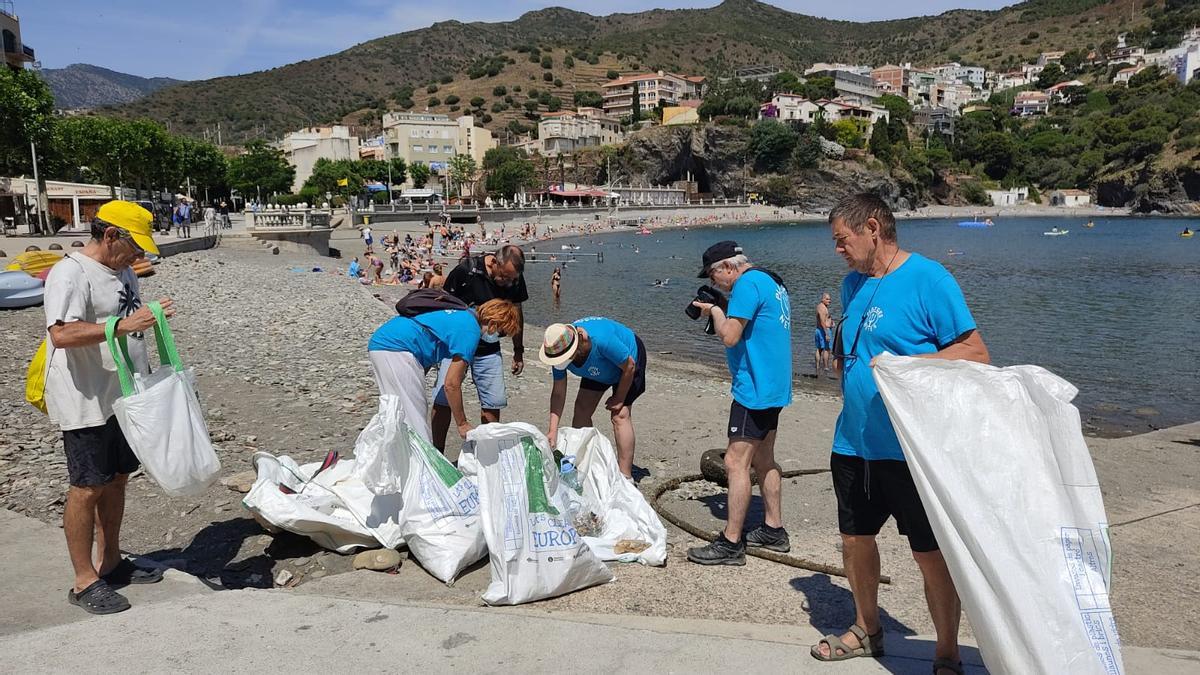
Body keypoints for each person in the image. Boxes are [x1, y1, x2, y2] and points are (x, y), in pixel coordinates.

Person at [811, 194, 989, 674]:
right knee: (855, 542)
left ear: (873, 228)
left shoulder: (930, 279)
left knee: (929, 555)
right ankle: (867, 629)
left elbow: (975, 353)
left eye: (842, 240)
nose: (838, 250)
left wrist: (907, 365)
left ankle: (947, 652)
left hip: (911, 451)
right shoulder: (852, 284)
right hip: (853, 442)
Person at [42, 200, 173, 615]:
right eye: (135, 246)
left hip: (121, 393)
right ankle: (84, 580)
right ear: (112, 235)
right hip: (85, 396)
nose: (139, 256)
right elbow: (61, 334)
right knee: (86, 487)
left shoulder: (124, 269)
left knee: (117, 478)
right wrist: (123, 326)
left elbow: (124, 316)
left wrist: (148, 318)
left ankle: (111, 562)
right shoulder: (70, 273)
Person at [687, 240, 792, 565]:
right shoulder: (770, 280)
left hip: (755, 388)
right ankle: (774, 529)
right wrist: (725, 306)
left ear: (728, 267)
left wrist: (716, 310)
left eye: (713, 275)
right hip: (774, 385)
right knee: (764, 459)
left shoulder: (747, 284)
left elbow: (730, 336)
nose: (715, 282)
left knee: (735, 462)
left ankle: (731, 542)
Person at [368, 299, 521, 444]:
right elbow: (451, 384)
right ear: (494, 323)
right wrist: (462, 424)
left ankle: (390, 455)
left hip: (385, 343)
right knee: (414, 418)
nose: (498, 338)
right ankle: (417, 461)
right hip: (396, 348)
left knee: (398, 409)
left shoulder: (464, 314)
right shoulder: (470, 331)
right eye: (501, 333)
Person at [429, 245, 529, 451]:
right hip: (455, 346)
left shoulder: (515, 278)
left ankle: (487, 454)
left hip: (488, 348)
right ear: (494, 262)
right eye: (504, 277)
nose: (508, 283)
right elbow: (442, 304)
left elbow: (517, 314)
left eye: (512, 279)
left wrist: (518, 350)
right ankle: (436, 452)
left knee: (493, 402)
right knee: (443, 399)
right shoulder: (466, 271)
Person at [540, 318, 648, 478]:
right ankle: (587, 463)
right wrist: (552, 430)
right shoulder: (558, 348)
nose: (563, 363)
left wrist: (619, 398)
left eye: (567, 358)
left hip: (628, 361)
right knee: (581, 410)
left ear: (580, 341)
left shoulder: (602, 339)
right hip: (598, 367)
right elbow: (558, 393)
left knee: (620, 415)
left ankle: (625, 476)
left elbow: (629, 366)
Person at [815, 292, 834, 378]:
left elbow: (825, 319)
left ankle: (817, 367)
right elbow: (822, 321)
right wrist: (826, 333)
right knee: (827, 349)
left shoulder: (821, 307)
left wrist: (831, 322)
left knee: (819, 349)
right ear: (822, 299)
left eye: (829, 299)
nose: (829, 301)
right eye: (827, 299)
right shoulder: (822, 308)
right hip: (823, 330)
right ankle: (826, 367)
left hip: (819, 330)